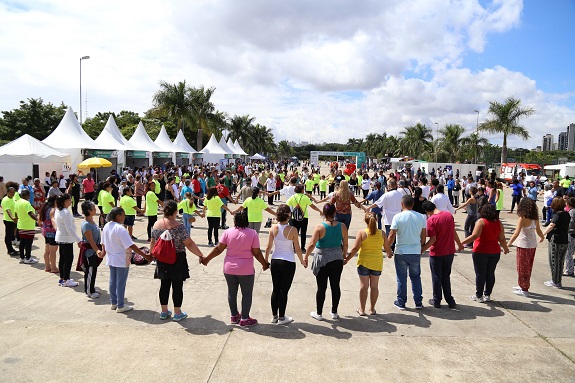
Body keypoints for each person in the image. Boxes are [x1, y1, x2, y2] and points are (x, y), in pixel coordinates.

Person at [201, 210, 269, 327]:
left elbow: (218, 249)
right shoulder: (252, 233)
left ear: (235, 221)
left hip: (229, 268)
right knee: (246, 294)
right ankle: (245, 318)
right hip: (245, 269)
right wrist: (264, 264)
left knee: (232, 293)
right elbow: (256, 253)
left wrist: (207, 258)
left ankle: (234, 316)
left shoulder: (228, 232)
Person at [150, 200, 204, 321]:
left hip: (162, 259)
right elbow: (189, 244)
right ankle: (177, 313)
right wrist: (200, 255)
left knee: (164, 285)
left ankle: (164, 311)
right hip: (177, 259)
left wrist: (151, 254)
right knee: (177, 286)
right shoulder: (179, 226)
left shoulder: (156, 225)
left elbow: (153, 241)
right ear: (175, 212)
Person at [304, 203, 349, 321]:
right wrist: (344, 256)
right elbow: (345, 244)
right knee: (335, 285)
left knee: (321, 287)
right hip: (337, 258)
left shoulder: (320, 227)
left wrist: (306, 256)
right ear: (335, 213)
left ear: (324, 214)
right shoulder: (342, 226)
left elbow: (312, 244)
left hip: (322, 259)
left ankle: (319, 313)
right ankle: (334, 311)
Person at [101, 207, 150, 313]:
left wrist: (103, 252)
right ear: (118, 216)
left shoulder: (106, 226)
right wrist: (145, 255)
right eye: (123, 215)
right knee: (120, 283)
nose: (124, 217)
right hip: (121, 259)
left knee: (112, 281)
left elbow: (103, 243)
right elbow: (131, 245)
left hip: (111, 257)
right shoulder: (120, 229)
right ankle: (120, 305)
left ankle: (113, 303)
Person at [264, 204, 305, 325]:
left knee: (275, 289)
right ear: (288, 215)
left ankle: (274, 316)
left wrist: (265, 261)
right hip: (288, 262)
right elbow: (297, 248)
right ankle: (282, 317)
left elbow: (268, 246)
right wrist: (302, 260)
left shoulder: (273, 228)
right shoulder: (293, 230)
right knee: (284, 290)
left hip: (275, 260)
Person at [385, 195, 427, 310]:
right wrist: (421, 247)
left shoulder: (397, 217)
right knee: (416, 277)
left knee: (401, 278)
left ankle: (401, 302)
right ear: (412, 204)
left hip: (401, 252)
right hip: (415, 251)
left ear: (402, 204)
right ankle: (418, 302)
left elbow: (392, 234)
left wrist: (388, 249)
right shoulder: (421, 217)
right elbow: (423, 235)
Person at [462, 204, 509, 303]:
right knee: (490, 273)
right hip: (495, 252)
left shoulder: (481, 222)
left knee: (480, 274)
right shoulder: (499, 223)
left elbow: (474, 236)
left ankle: (479, 295)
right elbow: (502, 238)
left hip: (480, 251)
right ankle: (487, 295)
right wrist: (505, 248)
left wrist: (461, 242)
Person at [421, 201, 463, 308]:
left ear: (427, 211)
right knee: (446, 276)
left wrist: (422, 250)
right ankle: (450, 300)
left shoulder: (431, 220)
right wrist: (459, 244)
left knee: (436, 277)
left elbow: (433, 239)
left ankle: (437, 300)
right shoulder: (448, 215)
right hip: (449, 251)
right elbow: (453, 232)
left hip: (437, 253)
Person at [344, 213, 385, 316]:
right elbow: (388, 248)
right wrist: (389, 254)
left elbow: (355, 249)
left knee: (364, 287)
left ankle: (362, 309)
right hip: (377, 262)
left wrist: (347, 259)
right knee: (374, 287)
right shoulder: (382, 233)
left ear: (365, 221)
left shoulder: (362, 233)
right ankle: (372, 309)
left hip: (364, 262)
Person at [507, 198, 545, 297]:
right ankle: (523, 285)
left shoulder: (522, 218)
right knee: (528, 266)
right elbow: (539, 231)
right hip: (532, 245)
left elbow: (516, 233)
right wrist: (542, 237)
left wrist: (507, 244)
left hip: (523, 245)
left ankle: (524, 288)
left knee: (522, 267)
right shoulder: (535, 218)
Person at [541, 197, 570, 288]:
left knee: (554, 260)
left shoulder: (558, 215)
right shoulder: (566, 214)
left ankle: (555, 281)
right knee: (560, 261)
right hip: (564, 239)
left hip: (556, 240)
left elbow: (551, 225)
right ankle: (557, 280)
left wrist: (542, 235)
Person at [55, 194, 81, 286]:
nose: (71, 201)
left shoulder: (58, 210)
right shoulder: (65, 212)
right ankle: (66, 280)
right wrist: (78, 240)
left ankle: (62, 278)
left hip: (61, 237)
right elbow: (69, 228)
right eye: (70, 199)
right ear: (65, 201)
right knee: (68, 259)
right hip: (66, 238)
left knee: (63, 258)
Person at [286, 185, 322, 250]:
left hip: (294, 217)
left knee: (295, 233)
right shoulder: (305, 197)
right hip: (304, 217)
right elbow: (312, 206)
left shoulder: (293, 197)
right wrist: (319, 211)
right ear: (302, 190)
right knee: (303, 233)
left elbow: (286, 206)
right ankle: (302, 247)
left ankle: (295, 248)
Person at [80, 201, 103, 298]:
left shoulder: (92, 221)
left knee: (93, 270)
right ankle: (89, 291)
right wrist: (97, 250)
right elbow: (90, 240)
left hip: (94, 249)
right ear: (89, 211)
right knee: (90, 270)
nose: (95, 209)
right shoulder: (86, 224)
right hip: (90, 251)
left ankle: (91, 287)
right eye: (94, 208)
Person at [14, 189, 38, 264]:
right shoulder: (26, 203)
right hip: (28, 226)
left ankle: (22, 257)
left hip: (21, 225)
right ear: (28, 195)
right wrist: (38, 219)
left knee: (22, 242)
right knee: (28, 243)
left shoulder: (17, 202)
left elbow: (16, 214)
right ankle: (28, 258)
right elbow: (30, 213)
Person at [39, 196, 58, 273]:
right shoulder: (53, 210)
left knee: (47, 250)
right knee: (53, 251)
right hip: (52, 232)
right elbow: (53, 221)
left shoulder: (44, 208)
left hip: (45, 231)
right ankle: (53, 267)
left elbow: (39, 220)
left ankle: (47, 266)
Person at [1, 187, 18, 256]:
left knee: (11, 235)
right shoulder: (6, 200)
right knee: (8, 236)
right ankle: (9, 250)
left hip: (13, 220)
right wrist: (12, 218)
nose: (12, 194)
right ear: (7, 192)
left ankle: (11, 249)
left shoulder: (12, 198)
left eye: (13, 192)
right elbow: (8, 210)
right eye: (11, 192)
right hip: (8, 220)